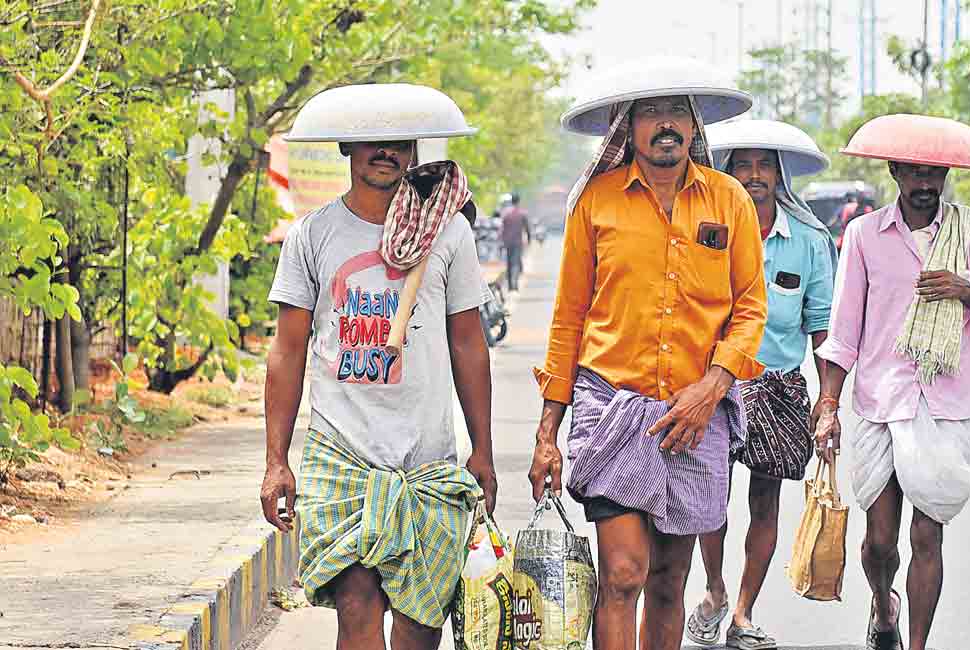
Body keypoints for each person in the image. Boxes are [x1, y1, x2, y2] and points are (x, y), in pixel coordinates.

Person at [526, 57, 766, 650]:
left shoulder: (729, 201)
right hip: (612, 407)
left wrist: (711, 388)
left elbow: (750, 308)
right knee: (624, 572)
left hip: (695, 415)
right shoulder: (597, 202)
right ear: (627, 127)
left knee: (667, 581)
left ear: (693, 125)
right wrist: (547, 431)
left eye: (677, 112)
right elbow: (569, 316)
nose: (666, 125)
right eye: (651, 113)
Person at [260, 83, 497, 650]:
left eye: (398, 141)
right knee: (356, 605)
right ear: (347, 147)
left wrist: (483, 450)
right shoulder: (312, 235)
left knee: (420, 626)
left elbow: (468, 344)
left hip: (428, 462)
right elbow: (287, 352)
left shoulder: (449, 233)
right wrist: (276, 461)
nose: (385, 151)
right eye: (371, 140)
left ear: (414, 150)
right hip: (341, 456)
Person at [811, 114, 970, 650]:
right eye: (915, 172)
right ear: (895, 172)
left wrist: (964, 289)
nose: (926, 183)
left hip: (944, 406)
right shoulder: (863, 235)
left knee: (928, 535)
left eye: (935, 173)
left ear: (946, 175)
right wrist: (828, 405)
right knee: (880, 543)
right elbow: (843, 332)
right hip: (881, 403)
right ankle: (884, 607)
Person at [687, 120, 836, 650]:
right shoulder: (707, 232)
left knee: (765, 503)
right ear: (728, 173)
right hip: (713, 384)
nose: (754, 176)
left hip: (779, 387)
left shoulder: (811, 242)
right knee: (710, 500)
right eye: (744, 165)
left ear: (779, 175)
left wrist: (828, 401)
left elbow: (821, 326)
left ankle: (743, 613)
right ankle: (715, 590)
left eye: (764, 165)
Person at [500, 193, 532, 291]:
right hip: (517, 242)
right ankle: (515, 284)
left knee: (509, 263)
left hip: (507, 242)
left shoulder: (506, 214)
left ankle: (510, 286)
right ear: (518, 201)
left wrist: (502, 241)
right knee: (516, 263)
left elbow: (502, 229)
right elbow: (527, 228)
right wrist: (529, 240)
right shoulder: (522, 214)